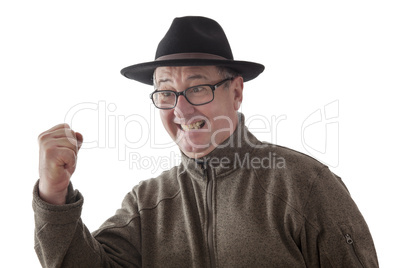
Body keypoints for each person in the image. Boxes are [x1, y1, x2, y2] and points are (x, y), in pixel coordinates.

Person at [33, 16, 378, 267]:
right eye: (166, 92)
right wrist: (54, 193)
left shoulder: (304, 185)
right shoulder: (145, 204)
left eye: (198, 88)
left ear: (237, 92)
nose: (180, 108)